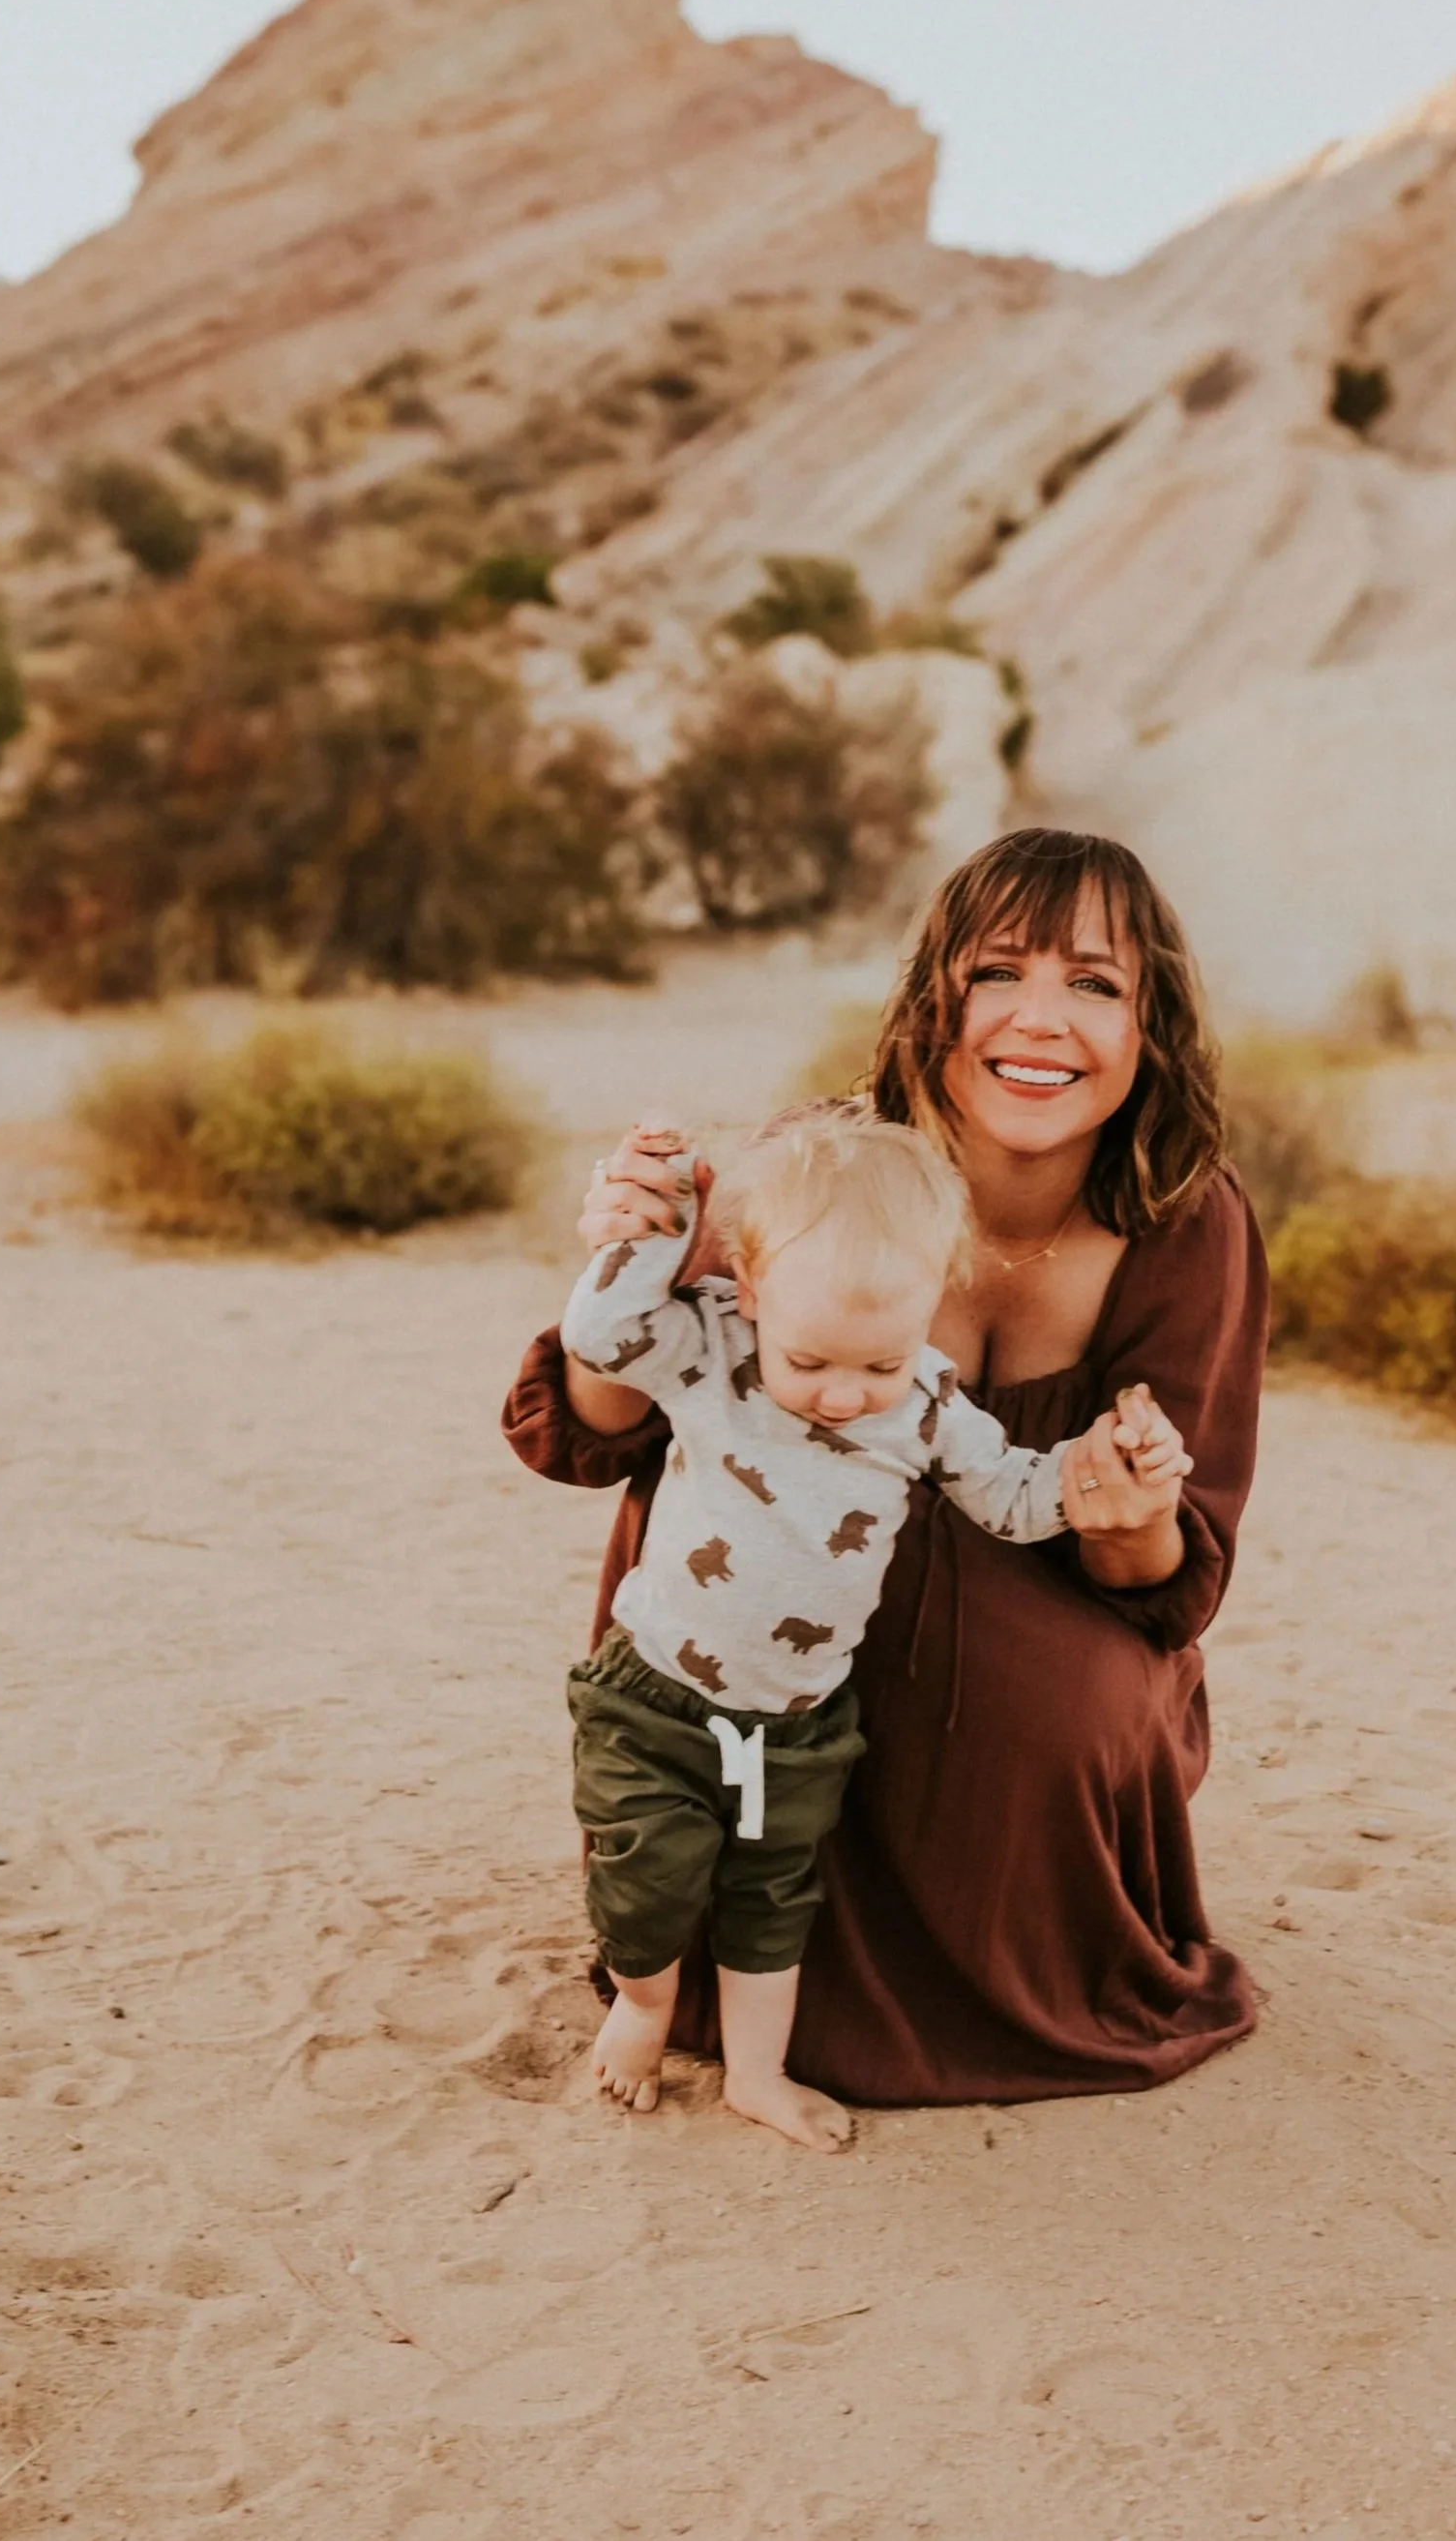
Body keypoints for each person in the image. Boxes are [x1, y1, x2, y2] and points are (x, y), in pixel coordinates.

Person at [504, 825, 1271, 2104]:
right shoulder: (821, 1163)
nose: (1044, 1018)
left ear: (1151, 1026)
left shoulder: (1185, 1223)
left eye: (1095, 982)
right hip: (759, 1594)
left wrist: (1125, 1502)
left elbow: (1170, 1579)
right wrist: (625, 1265)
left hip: (1046, 1565)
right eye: (998, 973)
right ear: (935, 996)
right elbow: (596, 1430)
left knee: (1059, 1713)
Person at [559, 1107, 1191, 2147]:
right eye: (811, 1363)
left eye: (880, 1365)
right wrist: (656, 1233)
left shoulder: (927, 1406)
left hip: (799, 1726)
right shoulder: (712, 1344)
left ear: (929, 1308)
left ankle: (758, 2076)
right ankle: (644, 2006)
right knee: (648, 1878)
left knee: (774, 1902)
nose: (846, 1397)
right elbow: (599, 1334)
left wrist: (1099, 1472)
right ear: (754, 1289)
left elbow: (1014, 1499)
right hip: (654, 1696)